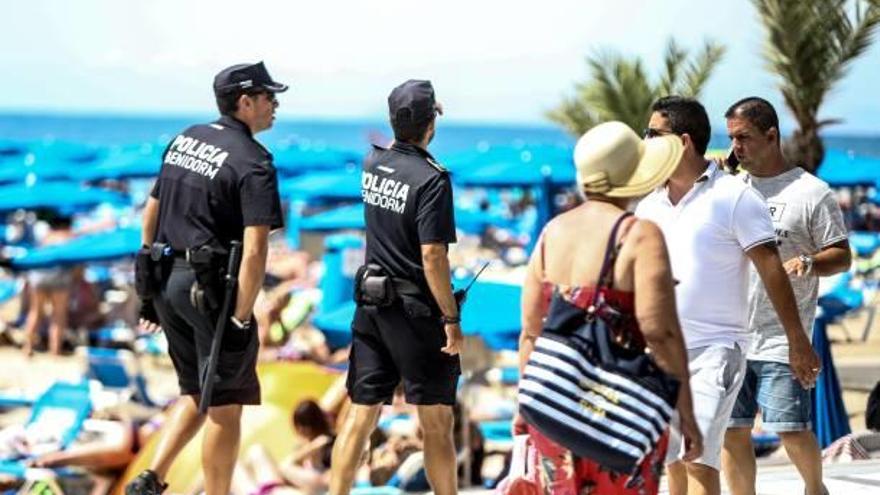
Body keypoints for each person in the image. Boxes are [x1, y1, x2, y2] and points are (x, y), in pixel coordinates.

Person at [635, 96, 820, 495]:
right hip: (658, 351)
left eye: (652, 133)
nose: (644, 140)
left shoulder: (734, 196)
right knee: (667, 462)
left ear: (682, 142)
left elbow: (771, 270)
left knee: (697, 457)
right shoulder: (647, 206)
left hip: (716, 348)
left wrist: (797, 341)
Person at [515, 121, 702, 494]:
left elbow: (530, 332)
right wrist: (687, 414)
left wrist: (526, 408)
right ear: (633, 175)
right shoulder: (638, 234)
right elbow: (660, 333)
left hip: (553, 410)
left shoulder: (552, 232)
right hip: (616, 414)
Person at [127, 61, 287, 495]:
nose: (276, 105)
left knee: (197, 390)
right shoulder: (254, 161)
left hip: (167, 281)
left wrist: (147, 283)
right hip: (211, 291)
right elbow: (255, 250)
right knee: (226, 406)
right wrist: (240, 316)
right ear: (245, 102)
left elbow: (151, 212)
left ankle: (151, 477)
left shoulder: (186, 139)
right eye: (270, 97)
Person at [329, 80, 463, 495]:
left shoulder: (373, 164)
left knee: (361, 413)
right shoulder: (431, 179)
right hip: (414, 310)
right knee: (437, 421)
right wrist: (451, 318)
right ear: (431, 123)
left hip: (371, 303)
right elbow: (433, 257)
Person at [721, 97, 851, 495]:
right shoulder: (728, 190)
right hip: (731, 332)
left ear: (771, 135)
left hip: (782, 335)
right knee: (732, 430)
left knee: (790, 429)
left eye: (743, 137)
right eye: (731, 138)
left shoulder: (811, 192)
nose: (736, 147)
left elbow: (842, 255)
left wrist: (810, 262)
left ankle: (816, 489)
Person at [233, 399, 335, 495]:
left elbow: (327, 481)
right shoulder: (307, 447)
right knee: (256, 451)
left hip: (285, 490)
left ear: (304, 428)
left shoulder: (327, 446)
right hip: (279, 489)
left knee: (239, 467)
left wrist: (313, 447)